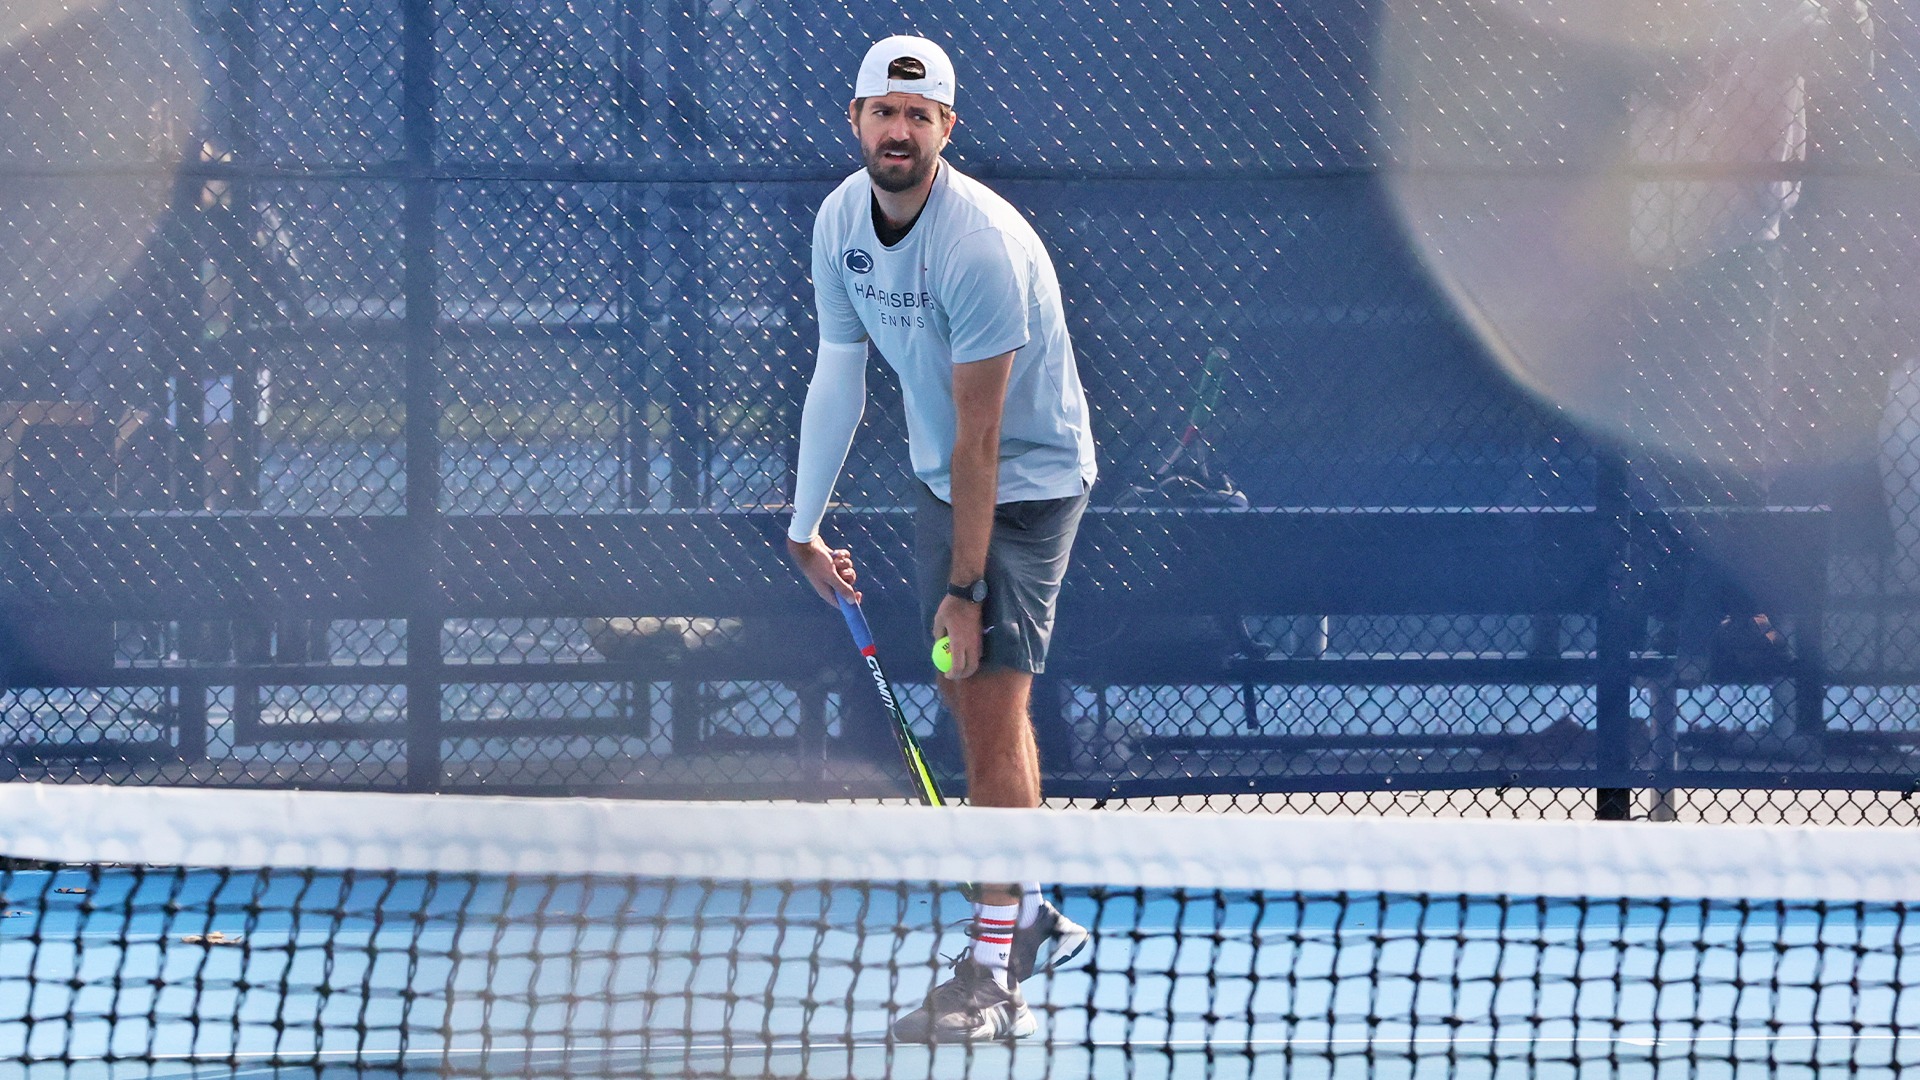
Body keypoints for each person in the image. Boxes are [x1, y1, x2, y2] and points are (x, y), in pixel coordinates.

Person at [782, 33, 1098, 1042]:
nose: (901, 129)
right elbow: (840, 370)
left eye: (922, 116)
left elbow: (985, 437)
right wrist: (804, 522)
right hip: (942, 478)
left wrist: (966, 587)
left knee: (989, 710)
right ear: (858, 120)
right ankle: (1029, 916)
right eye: (886, 111)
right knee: (964, 700)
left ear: (946, 130)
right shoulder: (841, 222)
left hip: (1028, 483)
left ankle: (996, 977)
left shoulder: (980, 248)